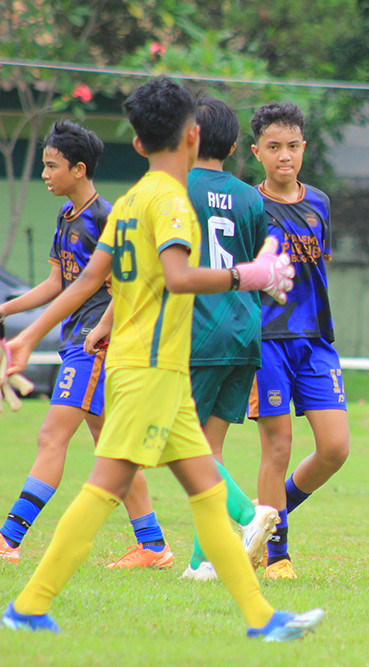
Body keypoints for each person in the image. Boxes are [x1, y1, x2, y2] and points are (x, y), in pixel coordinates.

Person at [1, 76, 321, 641]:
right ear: (193, 136)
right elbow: (178, 277)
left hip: (155, 368)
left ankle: (262, 618)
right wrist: (248, 274)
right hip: (149, 371)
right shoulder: (171, 201)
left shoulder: (132, 199)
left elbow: (86, 281)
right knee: (105, 487)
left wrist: (28, 337)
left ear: (139, 143)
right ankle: (29, 605)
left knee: (206, 491)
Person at [84, 97, 280, 581]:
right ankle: (201, 560)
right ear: (233, 147)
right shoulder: (252, 198)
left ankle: (248, 513)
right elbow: (257, 265)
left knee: (184, 445)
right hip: (244, 331)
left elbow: (150, 270)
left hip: (197, 331)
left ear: (188, 136)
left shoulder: (173, 189)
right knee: (208, 450)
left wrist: (106, 323)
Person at [0, 120, 171, 569]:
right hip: (78, 341)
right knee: (110, 443)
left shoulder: (106, 218)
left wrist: (103, 330)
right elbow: (56, 284)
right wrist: (4, 311)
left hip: (96, 344)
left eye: (51, 166)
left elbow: (131, 284)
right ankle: (153, 545)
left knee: (51, 436)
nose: (44, 174)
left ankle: (8, 538)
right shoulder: (66, 216)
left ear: (78, 169)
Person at [247, 102, 349, 580]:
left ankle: (267, 514)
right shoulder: (249, 206)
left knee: (335, 448)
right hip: (267, 340)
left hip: (315, 341)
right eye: (274, 147)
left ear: (304, 148)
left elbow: (319, 267)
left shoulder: (320, 203)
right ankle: (277, 555)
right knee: (278, 446)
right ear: (257, 152)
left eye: (292, 146)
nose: (284, 156)